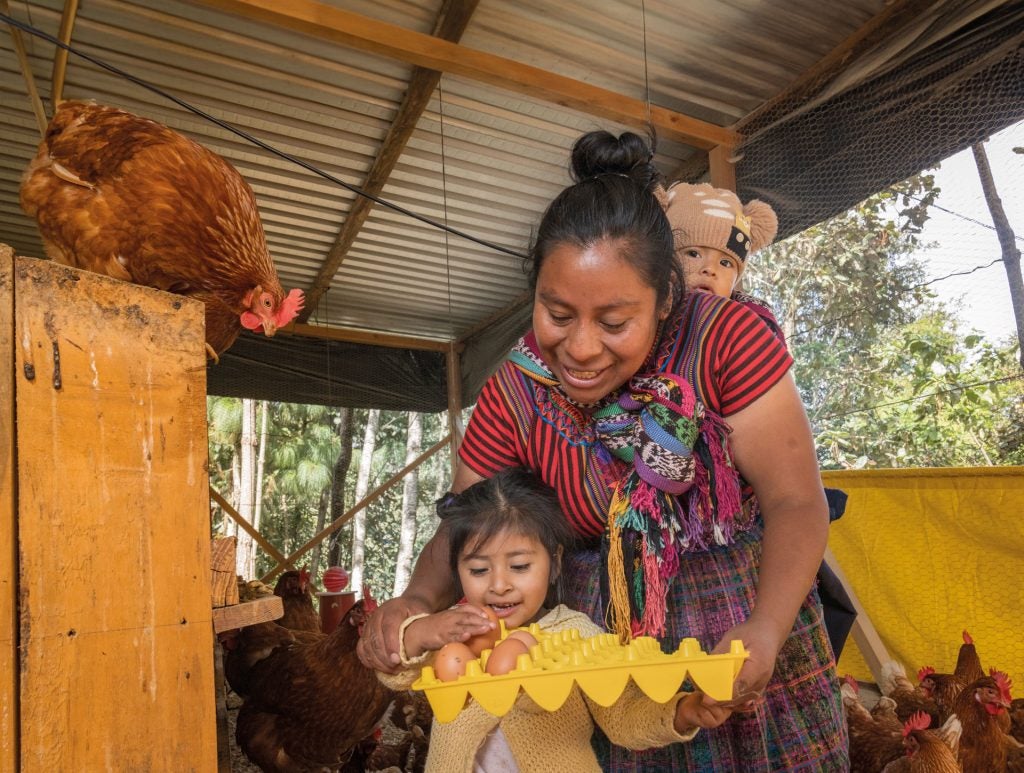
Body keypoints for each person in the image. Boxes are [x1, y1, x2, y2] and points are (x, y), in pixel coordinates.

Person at [359, 129, 849, 770]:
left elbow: (795, 501)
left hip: (745, 610)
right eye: (556, 313)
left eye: (614, 323)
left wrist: (764, 630)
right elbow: (466, 521)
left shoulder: (725, 339)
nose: (581, 349)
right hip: (600, 642)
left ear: (666, 299)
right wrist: (417, 603)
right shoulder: (517, 387)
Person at [376, 467, 732, 772]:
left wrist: (685, 711)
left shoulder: (576, 634)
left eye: (519, 567)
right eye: (479, 569)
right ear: (458, 570)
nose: (500, 585)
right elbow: (396, 672)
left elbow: (622, 719)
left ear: (555, 563)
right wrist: (423, 631)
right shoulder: (453, 629)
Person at [662, 180, 787, 342]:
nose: (710, 269)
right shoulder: (644, 309)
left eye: (726, 263)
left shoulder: (751, 325)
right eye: (693, 254)